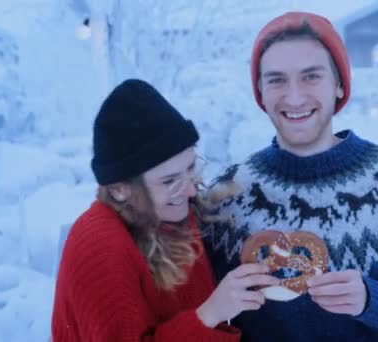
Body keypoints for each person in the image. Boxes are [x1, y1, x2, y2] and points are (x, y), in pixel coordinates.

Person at [203, 12, 378, 341]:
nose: (295, 97)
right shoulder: (228, 194)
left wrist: (371, 300)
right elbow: (193, 310)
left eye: (311, 77)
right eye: (276, 79)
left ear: (339, 84)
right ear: (260, 91)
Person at [51, 79, 279, 341]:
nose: (191, 191)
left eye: (191, 168)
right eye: (169, 181)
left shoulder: (167, 215)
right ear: (119, 189)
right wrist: (210, 313)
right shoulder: (98, 247)